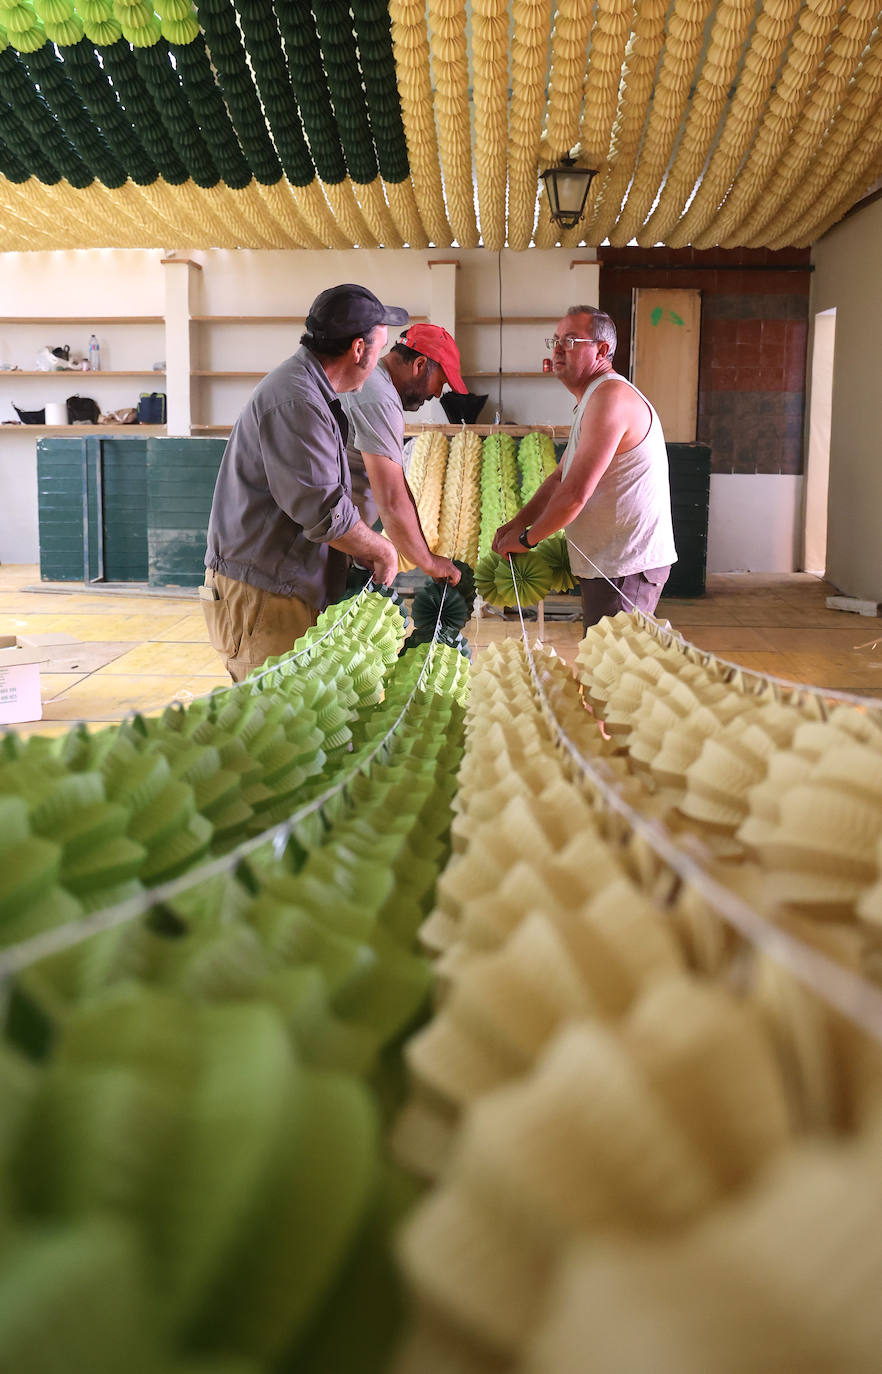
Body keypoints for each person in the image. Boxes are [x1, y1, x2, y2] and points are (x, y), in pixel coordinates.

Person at [202, 283, 407, 681]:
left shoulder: (310, 390)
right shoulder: (296, 400)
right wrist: (381, 550)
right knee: (273, 720)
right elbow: (324, 511)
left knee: (297, 714)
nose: (379, 361)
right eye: (380, 350)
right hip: (263, 595)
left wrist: (359, 547)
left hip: (281, 588)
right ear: (358, 350)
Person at [492, 304, 677, 629]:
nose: (559, 349)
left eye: (571, 340)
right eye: (556, 340)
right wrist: (518, 523)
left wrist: (527, 540)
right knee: (607, 665)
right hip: (610, 562)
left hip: (626, 565)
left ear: (602, 350)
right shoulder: (593, 399)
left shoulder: (611, 398)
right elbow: (560, 478)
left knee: (615, 671)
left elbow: (575, 494)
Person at [340, 323, 466, 585]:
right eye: (439, 381)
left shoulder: (376, 386)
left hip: (334, 537)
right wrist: (429, 563)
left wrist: (425, 554)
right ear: (420, 365)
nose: (437, 394)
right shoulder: (378, 396)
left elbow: (397, 486)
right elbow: (392, 500)